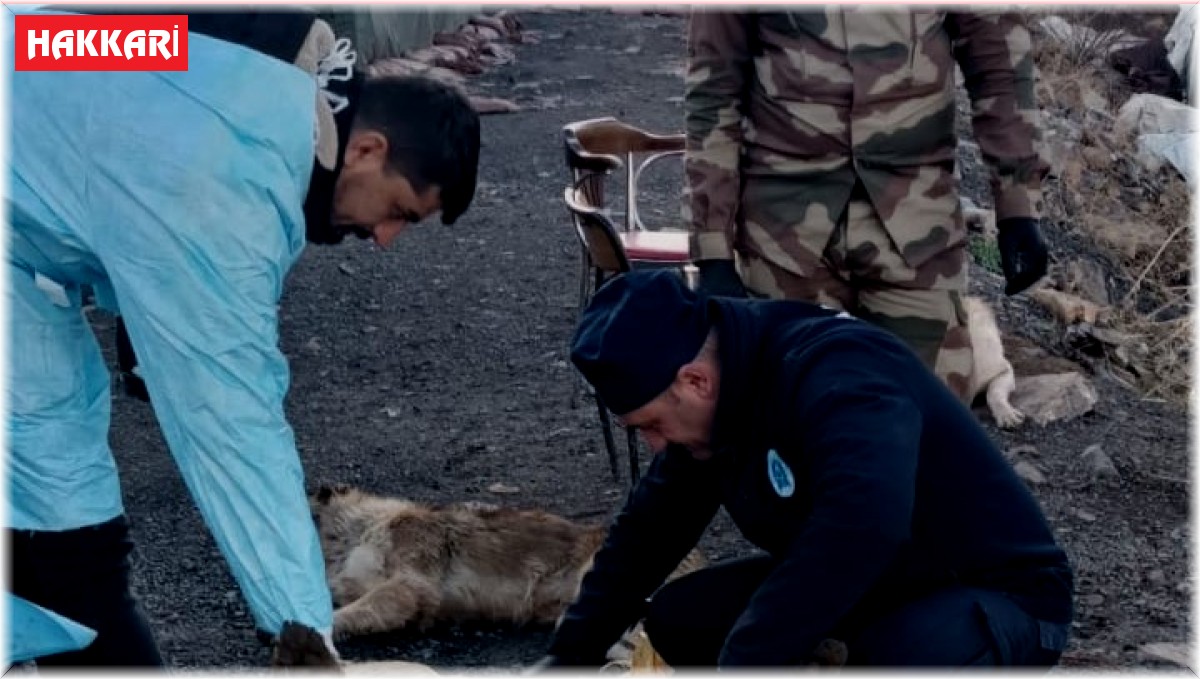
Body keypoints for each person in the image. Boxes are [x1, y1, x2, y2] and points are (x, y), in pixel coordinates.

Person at [8, 5, 480, 667]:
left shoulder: (265, 75)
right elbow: (230, 418)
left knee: (53, 509)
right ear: (369, 149)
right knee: (60, 525)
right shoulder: (228, 164)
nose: (384, 238)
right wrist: (305, 632)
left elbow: (67, 58)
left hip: (22, 234)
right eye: (399, 210)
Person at [532, 270, 1073, 668]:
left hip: (995, 594)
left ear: (695, 381)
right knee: (681, 618)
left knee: (896, 656)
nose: (655, 445)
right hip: (882, 584)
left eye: (650, 425)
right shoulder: (714, 402)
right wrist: (566, 658)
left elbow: (863, 526)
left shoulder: (839, 373)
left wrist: (748, 659)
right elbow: (647, 535)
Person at [684, 9, 1051, 402]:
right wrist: (713, 252)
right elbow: (714, 87)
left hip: (917, 233)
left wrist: (1018, 204)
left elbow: (998, 59)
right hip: (783, 237)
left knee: (927, 419)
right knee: (784, 424)